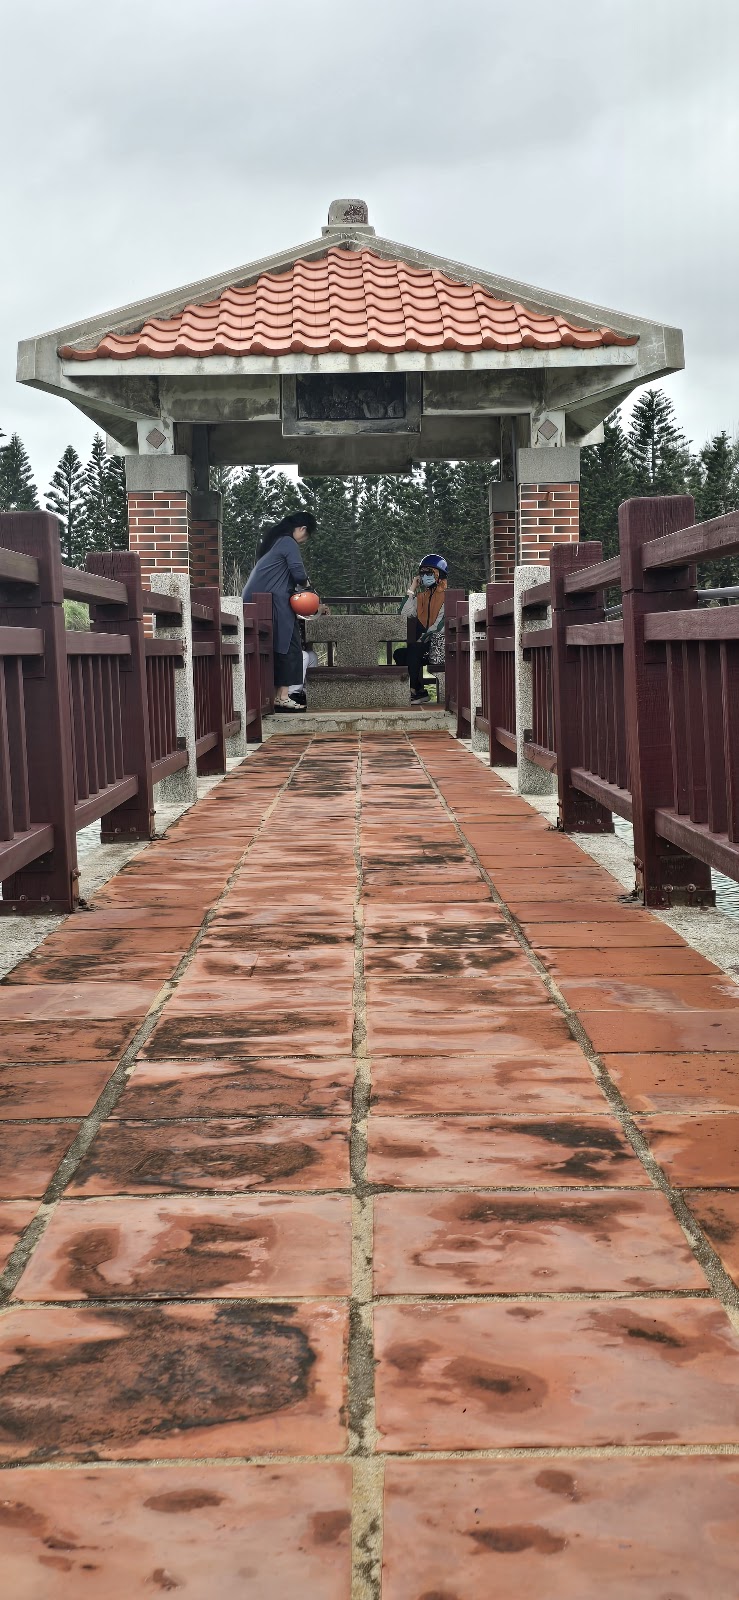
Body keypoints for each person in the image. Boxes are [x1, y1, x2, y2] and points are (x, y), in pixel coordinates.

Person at [242, 511, 317, 712]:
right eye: (307, 535)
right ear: (302, 529)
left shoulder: (275, 543)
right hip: (275, 601)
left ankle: (276, 696)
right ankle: (283, 697)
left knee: (275, 647)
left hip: (259, 602)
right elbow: (298, 573)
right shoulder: (288, 542)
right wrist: (309, 587)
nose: (305, 540)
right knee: (289, 645)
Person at [395, 554, 448, 702]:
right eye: (422, 573)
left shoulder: (447, 596)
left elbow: (440, 626)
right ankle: (420, 691)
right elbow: (403, 613)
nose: (424, 576)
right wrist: (412, 588)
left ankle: (413, 690)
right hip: (424, 645)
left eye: (428, 573)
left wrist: (423, 638)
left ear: (439, 575)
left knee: (414, 650)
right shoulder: (421, 597)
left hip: (440, 646)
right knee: (399, 654)